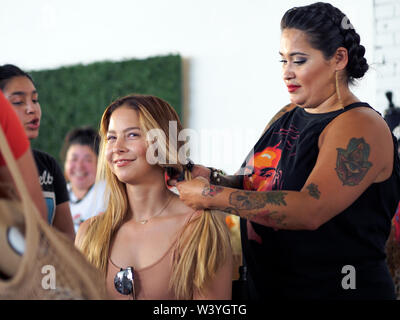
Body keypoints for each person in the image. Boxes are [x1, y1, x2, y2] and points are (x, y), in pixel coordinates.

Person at [172, 2, 400, 299]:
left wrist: (211, 196)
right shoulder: (288, 113)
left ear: (339, 59)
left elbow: (309, 209)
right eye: (283, 61)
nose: (287, 73)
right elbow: (260, 184)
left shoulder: (360, 126)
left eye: (299, 61)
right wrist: (215, 177)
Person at [75, 94, 232, 300]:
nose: (117, 147)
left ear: (164, 143)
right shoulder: (90, 234)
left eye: (132, 135)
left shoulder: (201, 228)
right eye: (111, 137)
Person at [0, 64, 75, 241]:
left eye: (35, 100)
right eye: (18, 102)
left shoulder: (47, 164)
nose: (32, 109)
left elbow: (66, 238)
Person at [61, 126, 108, 233]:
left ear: (99, 164)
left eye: (87, 160)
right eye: (74, 159)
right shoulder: (58, 195)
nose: (79, 166)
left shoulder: (108, 193)